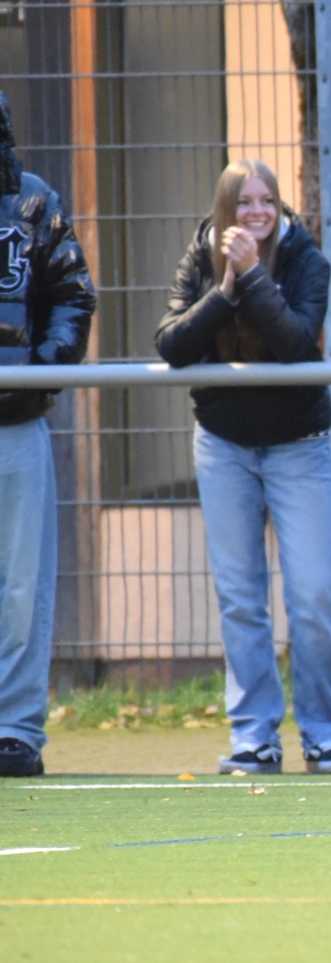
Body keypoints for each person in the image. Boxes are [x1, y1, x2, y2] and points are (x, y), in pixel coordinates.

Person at [156, 160, 331, 775]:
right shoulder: (200, 256)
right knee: (241, 596)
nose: (257, 213)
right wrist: (224, 291)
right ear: (226, 211)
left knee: (315, 594)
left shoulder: (306, 260)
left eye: (267, 201)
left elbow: (297, 344)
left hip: (298, 444)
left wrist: (253, 277)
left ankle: (325, 734)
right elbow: (172, 344)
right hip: (224, 444)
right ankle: (254, 735)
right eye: (244, 203)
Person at [0, 93, 96, 778]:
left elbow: (72, 294)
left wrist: (43, 368)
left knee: (21, 587)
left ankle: (14, 729)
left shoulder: (34, 202)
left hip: (16, 420)